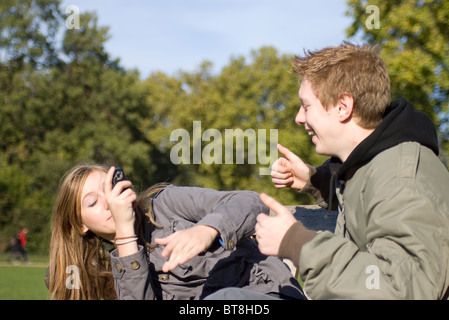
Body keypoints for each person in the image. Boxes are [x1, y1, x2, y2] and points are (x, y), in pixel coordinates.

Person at [254, 42, 449, 299]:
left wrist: (297, 243)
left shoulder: (402, 179)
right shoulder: (375, 159)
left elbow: (402, 289)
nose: (299, 118)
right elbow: (366, 195)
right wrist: (315, 180)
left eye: (307, 106)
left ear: (343, 107)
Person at [47, 163, 304, 300]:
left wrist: (207, 229)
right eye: (93, 203)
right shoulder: (117, 275)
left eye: (108, 189)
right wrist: (125, 232)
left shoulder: (168, 204)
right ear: (81, 226)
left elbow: (250, 201)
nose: (107, 202)